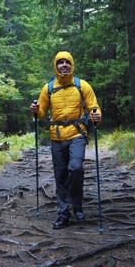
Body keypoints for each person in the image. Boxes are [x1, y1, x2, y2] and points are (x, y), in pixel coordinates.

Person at [30, 51, 102, 229]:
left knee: (75, 168)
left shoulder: (82, 85)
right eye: (60, 62)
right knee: (60, 176)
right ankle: (63, 215)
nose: (64, 65)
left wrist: (97, 116)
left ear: (72, 65)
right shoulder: (48, 88)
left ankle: (77, 205)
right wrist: (35, 110)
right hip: (57, 137)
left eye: (67, 62)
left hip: (77, 134)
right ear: (55, 66)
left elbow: (94, 108)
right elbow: (41, 114)